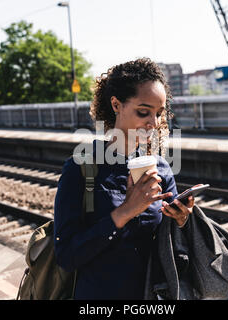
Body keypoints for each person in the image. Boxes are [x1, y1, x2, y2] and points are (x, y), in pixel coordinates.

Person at [53, 57, 195, 300]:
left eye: (160, 113)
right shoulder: (81, 168)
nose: (154, 123)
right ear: (116, 105)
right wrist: (126, 211)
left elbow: (173, 250)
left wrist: (182, 221)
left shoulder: (161, 169)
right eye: (144, 112)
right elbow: (67, 256)